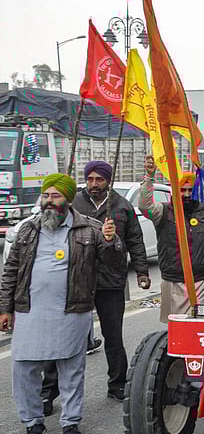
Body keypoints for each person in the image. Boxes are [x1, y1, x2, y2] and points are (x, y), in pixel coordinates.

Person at [0, 174, 122, 434]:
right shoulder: (28, 229)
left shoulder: (90, 229)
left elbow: (114, 264)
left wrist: (111, 241)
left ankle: (70, 422)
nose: (49, 202)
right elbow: (10, 271)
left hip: (72, 310)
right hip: (29, 311)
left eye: (55, 196)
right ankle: (33, 423)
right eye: (46, 196)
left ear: (67, 199)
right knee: (23, 368)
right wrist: (4, 308)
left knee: (71, 369)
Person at [41, 161, 152, 416]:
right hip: (76, 280)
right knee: (63, 337)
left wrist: (143, 271)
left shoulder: (122, 206)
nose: (93, 184)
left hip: (111, 281)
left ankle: (117, 384)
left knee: (113, 336)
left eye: (99, 180)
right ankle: (47, 392)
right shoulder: (73, 203)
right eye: (90, 179)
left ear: (108, 181)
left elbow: (135, 240)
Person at [139, 156, 204, 323]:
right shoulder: (163, 212)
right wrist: (149, 177)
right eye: (183, 190)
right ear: (175, 191)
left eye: (191, 190)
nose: (187, 195)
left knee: (202, 326)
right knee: (177, 328)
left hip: (203, 282)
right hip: (174, 282)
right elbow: (145, 206)